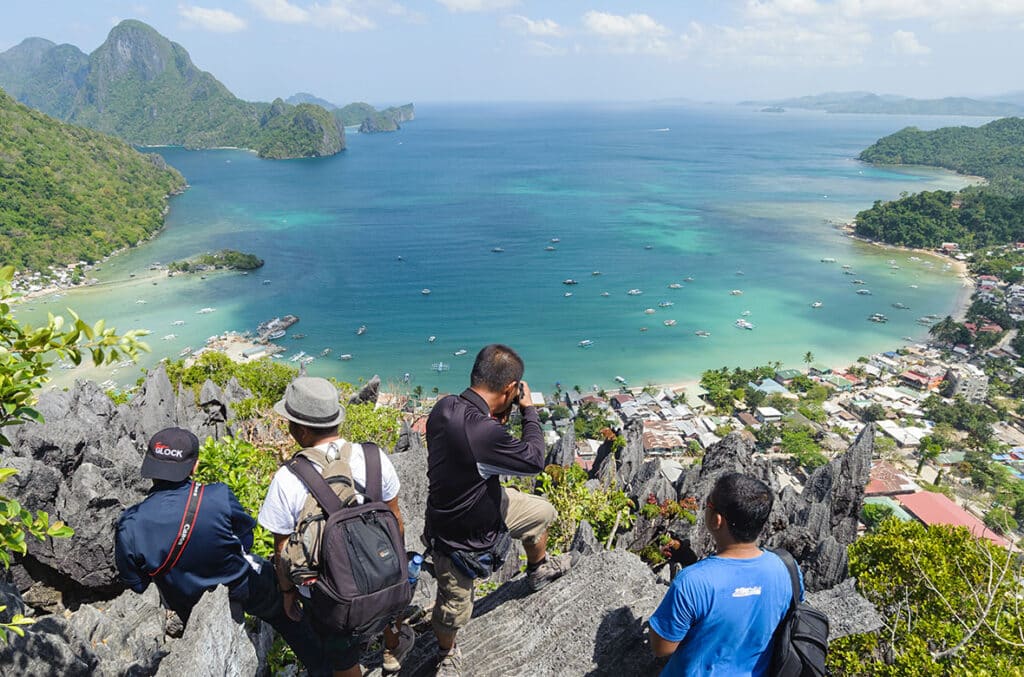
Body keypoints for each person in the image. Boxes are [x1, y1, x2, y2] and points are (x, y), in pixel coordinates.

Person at [114, 427, 325, 672]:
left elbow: (137, 583)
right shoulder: (217, 496)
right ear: (195, 466)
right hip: (242, 586)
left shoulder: (129, 524)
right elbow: (246, 540)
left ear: (149, 465)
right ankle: (321, 667)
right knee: (286, 613)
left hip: (187, 602)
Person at [425, 343, 577, 676]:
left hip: (487, 502)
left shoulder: (445, 407)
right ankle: (445, 652)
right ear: (510, 388)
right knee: (454, 611)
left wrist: (498, 416)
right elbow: (535, 460)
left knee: (542, 512)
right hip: (458, 537)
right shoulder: (481, 431)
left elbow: (474, 445)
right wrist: (528, 411)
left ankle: (537, 569)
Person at [257, 376, 414, 677]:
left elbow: (283, 551)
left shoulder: (288, 478)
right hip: (386, 578)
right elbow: (395, 521)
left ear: (300, 429)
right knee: (387, 602)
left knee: (340, 656)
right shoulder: (374, 456)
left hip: (330, 597)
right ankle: (392, 647)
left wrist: (288, 595)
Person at [648, 472, 800, 676]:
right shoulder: (787, 568)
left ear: (717, 520)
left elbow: (662, 648)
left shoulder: (694, 582)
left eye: (708, 505)